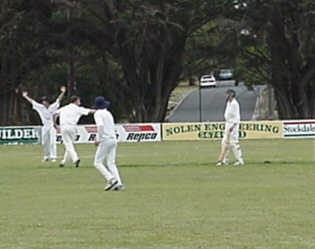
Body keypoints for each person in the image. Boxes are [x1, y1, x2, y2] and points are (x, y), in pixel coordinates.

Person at [22, 86, 66, 162]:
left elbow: (58, 100)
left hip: (52, 126)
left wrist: (63, 92)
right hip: (45, 126)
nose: (43, 102)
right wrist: (25, 96)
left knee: (52, 141)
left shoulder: (53, 107)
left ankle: (53, 157)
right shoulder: (40, 107)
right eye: (43, 101)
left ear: (48, 102)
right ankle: (46, 156)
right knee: (45, 142)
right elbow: (32, 102)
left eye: (45, 101)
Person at [53, 95, 95, 168]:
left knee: (69, 145)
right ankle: (71, 160)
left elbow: (54, 114)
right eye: (79, 100)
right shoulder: (78, 109)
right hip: (72, 127)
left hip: (63, 127)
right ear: (76, 101)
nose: (79, 102)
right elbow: (90, 111)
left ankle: (66, 161)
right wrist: (100, 111)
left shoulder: (64, 108)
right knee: (69, 145)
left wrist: (55, 124)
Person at [93, 96, 124, 191]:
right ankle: (118, 183)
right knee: (111, 163)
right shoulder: (108, 113)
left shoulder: (98, 113)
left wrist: (98, 138)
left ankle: (111, 178)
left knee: (97, 162)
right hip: (113, 139)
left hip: (105, 139)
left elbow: (100, 126)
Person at [216, 89, 244, 166]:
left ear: (231, 95)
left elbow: (237, 116)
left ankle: (239, 160)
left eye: (228, 94)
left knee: (233, 142)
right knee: (225, 142)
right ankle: (225, 160)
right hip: (228, 124)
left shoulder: (235, 104)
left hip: (233, 125)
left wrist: (233, 126)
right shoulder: (229, 103)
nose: (226, 96)